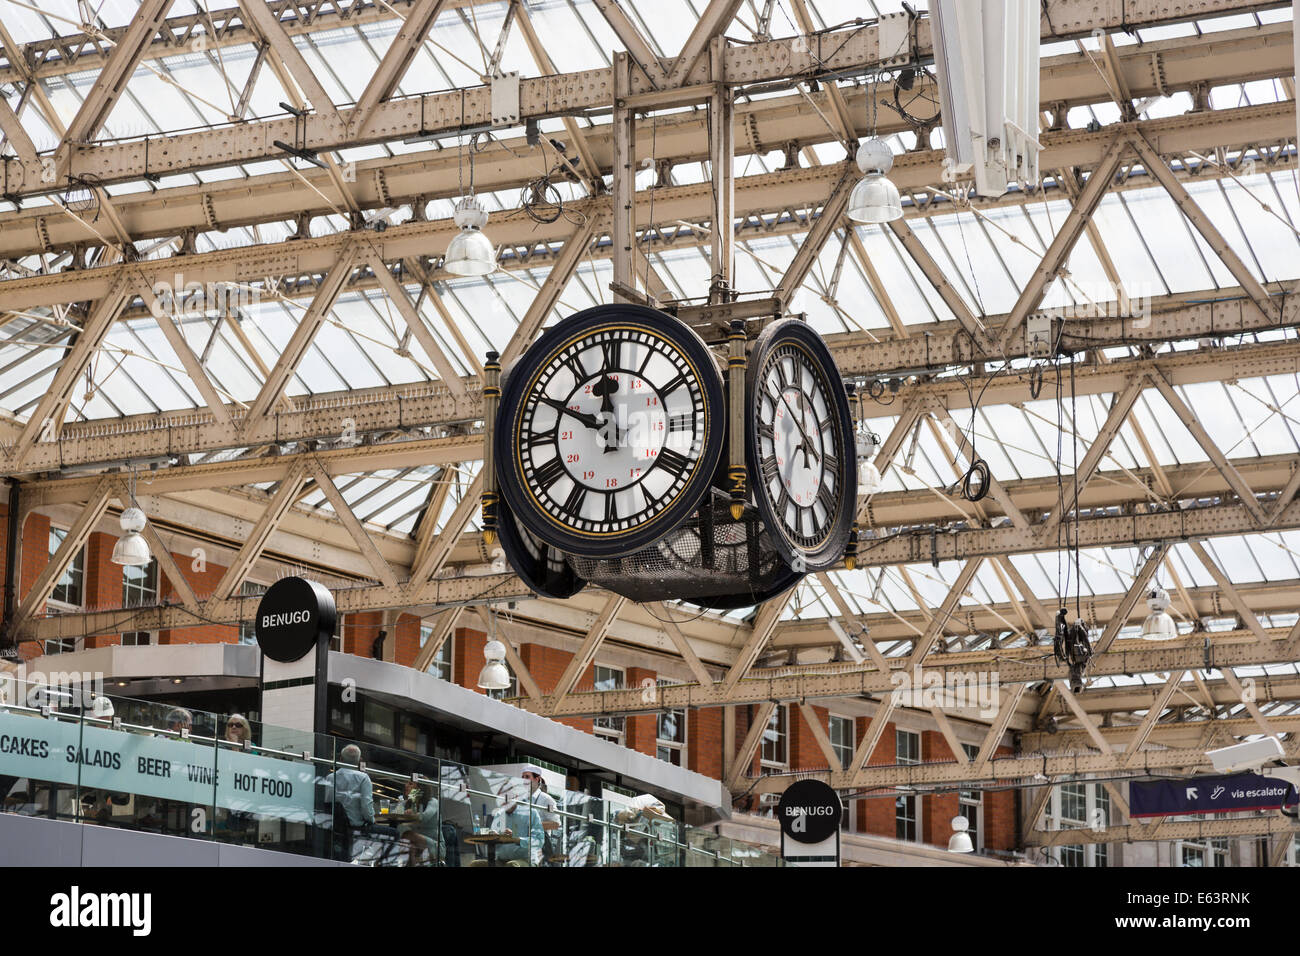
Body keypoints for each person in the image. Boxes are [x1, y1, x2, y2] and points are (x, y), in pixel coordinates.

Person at [495, 764, 558, 866]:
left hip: (538, 844)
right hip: (519, 842)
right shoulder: (520, 797)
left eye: (527, 777)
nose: (524, 780)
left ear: (537, 779)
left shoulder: (546, 799)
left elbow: (556, 824)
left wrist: (532, 825)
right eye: (522, 777)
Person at [322, 744, 374, 862]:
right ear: (359, 761)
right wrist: (371, 820)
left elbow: (327, 802)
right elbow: (366, 807)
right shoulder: (364, 778)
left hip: (334, 828)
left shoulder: (330, 778)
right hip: (356, 828)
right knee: (394, 833)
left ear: (340, 758)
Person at [394, 781, 444, 866]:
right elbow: (394, 816)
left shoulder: (432, 802)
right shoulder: (405, 803)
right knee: (408, 845)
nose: (406, 785)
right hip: (415, 843)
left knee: (407, 835)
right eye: (406, 783)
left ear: (420, 788)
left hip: (435, 846)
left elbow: (425, 817)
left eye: (410, 784)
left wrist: (414, 813)